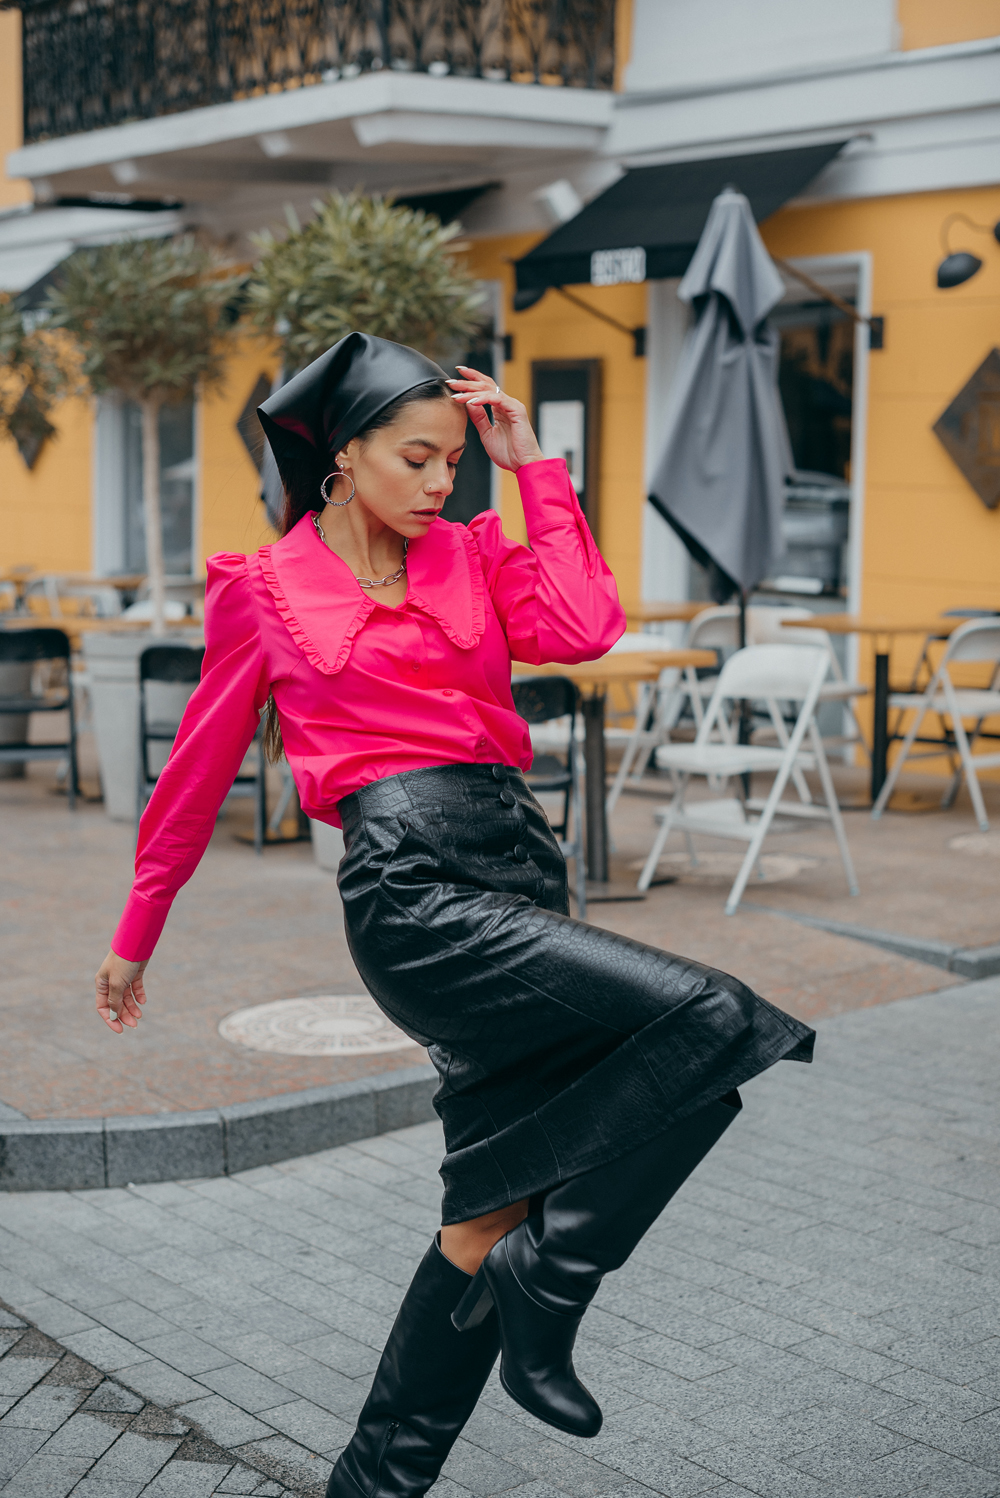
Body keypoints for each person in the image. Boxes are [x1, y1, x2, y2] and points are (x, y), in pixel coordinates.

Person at [95, 333, 814, 1498]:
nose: (442, 481)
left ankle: (377, 1475)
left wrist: (533, 466)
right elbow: (193, 773)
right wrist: (137, 932)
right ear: (345, 454)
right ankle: (556, 1280)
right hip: (411, 891)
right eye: (420, 458)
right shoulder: (267, 590)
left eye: (452, 462)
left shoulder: (473, 556)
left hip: (522, 869)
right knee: (715, 1022)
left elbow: (584, 627)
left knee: (490, 1214)